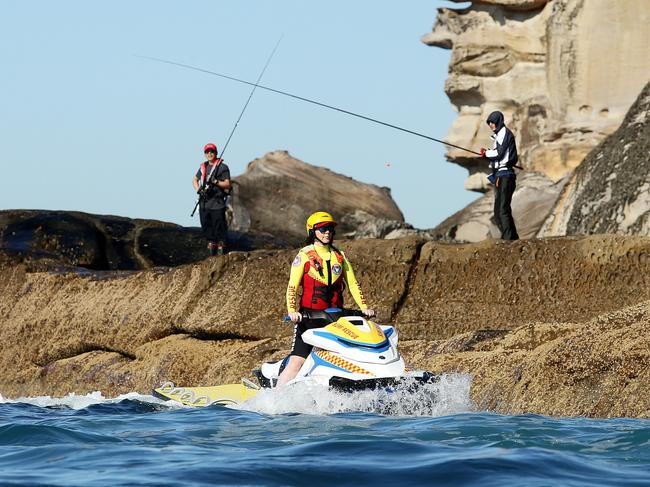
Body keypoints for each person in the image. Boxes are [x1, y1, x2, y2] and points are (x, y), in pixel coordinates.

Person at [277, 211, 375, 387]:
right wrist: (292, 312)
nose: (327, 232)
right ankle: (274, 400)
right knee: (296, 362)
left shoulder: (340, 256)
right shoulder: (304, 255)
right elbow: (292, 286)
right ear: (312, 232)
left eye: (329, 228)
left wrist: (364, 307)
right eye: (322, 228)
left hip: (336, 320)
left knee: (349, 356)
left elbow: (353, 284)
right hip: (309, 319)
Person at [480, 111, 519, 241]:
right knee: (498, 212)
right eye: (489, 122)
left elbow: (500, 153)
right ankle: (511, 237)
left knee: (502, 210)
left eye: (492, 121)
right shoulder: (499, 135)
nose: (491, 124)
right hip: (500, 175)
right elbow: (499, 153)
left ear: (498, 121)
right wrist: (488, 153)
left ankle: (509, 240)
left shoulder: (503, 133)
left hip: (505, 176)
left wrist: (487, 153)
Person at [192, 143, 231, 255]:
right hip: (204, 202)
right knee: (205, 223)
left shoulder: (223, 167)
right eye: (207, 152)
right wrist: (198, 189)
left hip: (217, 202)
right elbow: (194, 179)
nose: (209, 154)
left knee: (218, 223)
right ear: (205, 154)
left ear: (216, 153)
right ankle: (211, 242)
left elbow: (228, 184)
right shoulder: (203, 167)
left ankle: (221, 244)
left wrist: (216, 182)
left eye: (212, 151)